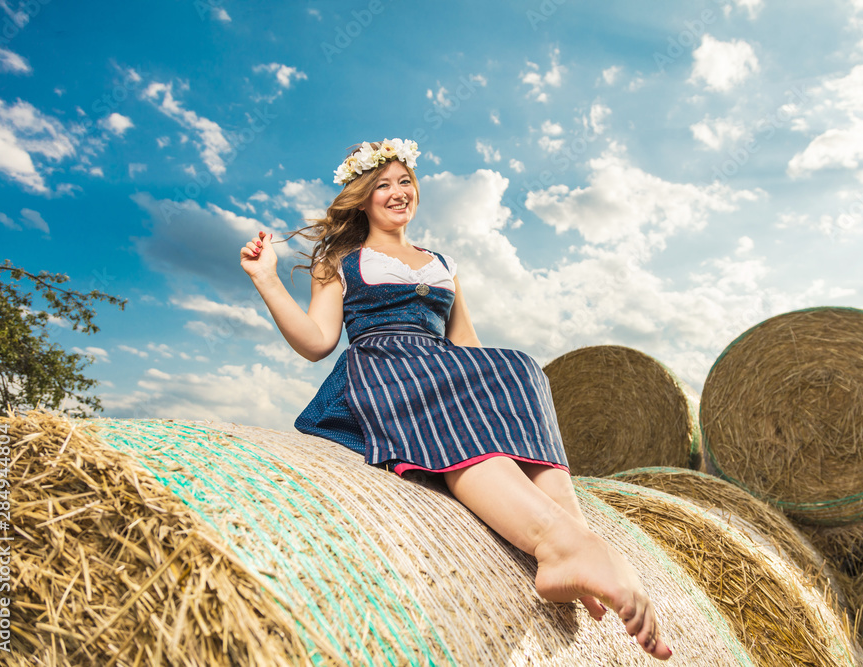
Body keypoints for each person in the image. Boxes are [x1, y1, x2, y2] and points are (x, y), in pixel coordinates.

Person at [240, 138, 672, 660]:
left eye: (404, 182)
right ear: (363, 199)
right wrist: (267, 280)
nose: (397, 192)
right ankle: (558, 545)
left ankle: (578, 540)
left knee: (520, 366)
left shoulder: (442, 263)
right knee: (458, 416)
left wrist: (496, 394)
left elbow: (465, 342)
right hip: (387, 372)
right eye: (382, 185)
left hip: (439, 366)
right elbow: (316, 341)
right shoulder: (343, 262)